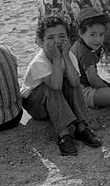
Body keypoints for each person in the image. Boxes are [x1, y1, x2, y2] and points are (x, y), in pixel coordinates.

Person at [21, 16, 103, 156]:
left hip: (58, 102)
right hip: (36, 104)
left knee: (72, 81)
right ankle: (63, 134)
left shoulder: (69, 55)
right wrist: (57, 59)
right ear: (41, 42)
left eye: (61, 36)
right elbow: (56, 86)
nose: (57, 41)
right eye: (51, 38)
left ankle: (82, 127)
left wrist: (65, 56)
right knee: (51, 87)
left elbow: (75, 82)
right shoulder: (38, 62)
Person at [71, 6, 110, 108]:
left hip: (80, 87)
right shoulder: (85, 53)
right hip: (80, 92)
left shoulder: (81, 45)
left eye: (101, 35)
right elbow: (93, 80)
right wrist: (108, 88)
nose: (98, 40)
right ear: (81, 33)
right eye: (93, 35)